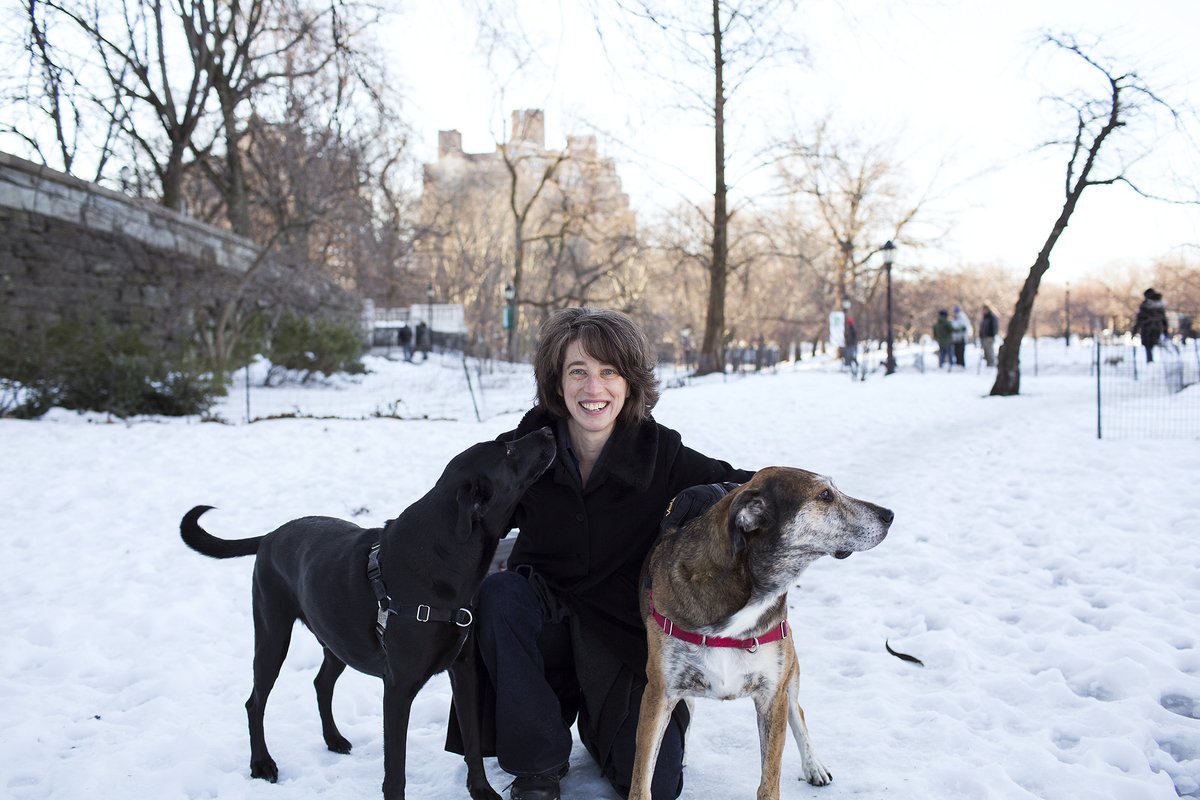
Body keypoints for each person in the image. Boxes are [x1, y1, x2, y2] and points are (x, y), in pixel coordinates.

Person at [446, 308, 753, 800]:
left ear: (630, 383)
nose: (594, 388)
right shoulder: (525, 450)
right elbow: (457, 512)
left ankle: (601, 724)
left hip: (623, 638)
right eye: (578, 371)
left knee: (658, 786)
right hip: (542, 625)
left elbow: (749, 488)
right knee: (500, 593)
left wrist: (713, 493)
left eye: (609, 372)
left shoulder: (660, 452)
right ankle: (537, 765)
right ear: (557, 381)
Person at [1132, 288, 1169, 363]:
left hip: (1147, 329)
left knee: (1148, 345)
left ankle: (1150, 361)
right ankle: (1152, 362)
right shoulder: (1160, 305)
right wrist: (1165, 331)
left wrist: (1134, 331)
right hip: (1157, 328)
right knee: (1152, 345)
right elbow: (1164, 320)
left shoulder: (1145, 305)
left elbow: (1139, 319)